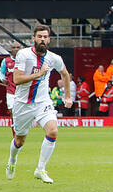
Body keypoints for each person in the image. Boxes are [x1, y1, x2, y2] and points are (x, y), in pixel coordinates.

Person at [7, 25, 73, 183]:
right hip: (23, 103)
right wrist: (39, 74)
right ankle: (12, 161)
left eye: (45, 37)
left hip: (43, 102)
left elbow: (64, 73)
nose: (42, 39)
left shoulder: (54, 58)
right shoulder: (24, 55)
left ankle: (40, 169)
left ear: (49, 40)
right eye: (39, 37)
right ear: (34, 39)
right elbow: (17, 79)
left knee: (53, 131)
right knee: (19, 140)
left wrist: (68, 97)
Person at [0, 41, 21, 113]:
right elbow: (1, 72)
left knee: (22, 111)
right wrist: (2, 79)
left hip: (22, 90)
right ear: (11, 49)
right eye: (14, 47)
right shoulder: (6, 61)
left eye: (18, 47)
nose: (16, 49)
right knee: (11, 109)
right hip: (11, 89)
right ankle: (14, 124)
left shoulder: (25, 60)